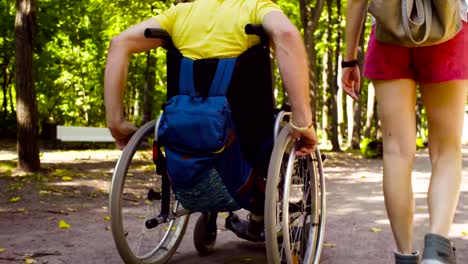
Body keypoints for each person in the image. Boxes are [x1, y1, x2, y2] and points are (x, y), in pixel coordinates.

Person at [104, 0, 317, 239]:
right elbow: (286, 33)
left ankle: (216, 212)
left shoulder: (179, 15)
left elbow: (119, 43)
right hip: (247, 151)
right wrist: (303, 120)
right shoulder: (255, 8)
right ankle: (260, 215)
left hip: (184, 141)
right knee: (276, 128)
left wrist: (116, 123)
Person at [342, 1, 468, 263]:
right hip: (450, 29)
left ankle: (405, 255)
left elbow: (356, 2)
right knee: (446, 150)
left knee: (396, 152)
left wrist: (349, 59)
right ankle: (437, 250)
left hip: (390, 33)